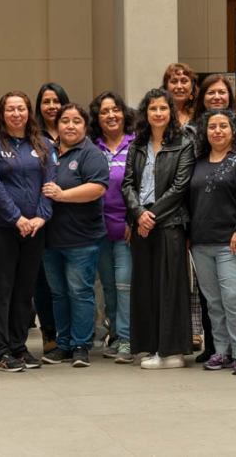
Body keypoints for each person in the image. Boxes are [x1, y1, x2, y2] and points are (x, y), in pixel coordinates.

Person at [0, 91, 55, 372]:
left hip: (35, 230)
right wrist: (17, 218)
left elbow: (50, 185)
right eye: (10, 109)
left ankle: (18, 346)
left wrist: (40, 218)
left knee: (25, 291)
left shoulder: (44, 144)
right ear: (2, 113)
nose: (15, 114)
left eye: (20, 109)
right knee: (2, 289)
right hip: (3, 230)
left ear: (28, 112)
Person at [122, 88, 194, 369]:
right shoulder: (136, 145)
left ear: (171, 113)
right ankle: (149, 346)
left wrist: (150, 215)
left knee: (170, 287)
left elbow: (179, 188)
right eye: (153, 109)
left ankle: (171, 352)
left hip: (170, 223)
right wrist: (139, 215)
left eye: (163, 108)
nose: (158, 113)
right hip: (142, 223)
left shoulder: (183, 143)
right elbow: (127, 184)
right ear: (146, 113)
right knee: (145, 286)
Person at [189, 109, 236, 375]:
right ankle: (222, 351)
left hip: (235, 242)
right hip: (201, 242)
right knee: (214, 301)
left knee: (234, 297)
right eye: (211, 127)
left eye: (223, 126)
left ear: (234, 130)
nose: (217, 131)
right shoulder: (198, 161)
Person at [41, 103, 109, 368]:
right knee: (58, 293)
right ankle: (64, 343)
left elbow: (97, 188)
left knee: (79, 292)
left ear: (85, 125)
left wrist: (62, 195)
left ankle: (81, 345)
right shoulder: (48, 152)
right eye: (65, 121)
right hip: (50, 238)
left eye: (76, 121)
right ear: (57, 125)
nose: (70, 126)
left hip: (81, 238)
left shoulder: (90, 153)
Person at [89, 91, 136, 363]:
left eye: (115, 109)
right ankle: (117, 335)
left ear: (124, 113)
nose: (111, 115)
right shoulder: (91, 147)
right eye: (104, 111)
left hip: (127, 229)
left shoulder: (136, 144)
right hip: (98, 230)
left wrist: (133, 218)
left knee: (124, 285)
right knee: (108, 287)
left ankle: (128, 339)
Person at [33, 82, 70, 351]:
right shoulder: (32, 135)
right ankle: (49, 331)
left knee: (71, 280)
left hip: (71, 216)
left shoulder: (75, 130)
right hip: (39, 215)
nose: (52, 106)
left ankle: (74, 333)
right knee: (43, 279)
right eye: (46, 101)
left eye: (56, 101)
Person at [192, 74, 236, 151]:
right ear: (202, 97)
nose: (217, 97)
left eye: (222, 92)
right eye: (211, 93)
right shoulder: (190, 129)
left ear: (229, 96)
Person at [161, 62, 198, 127]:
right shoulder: (157, 112)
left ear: (192, 86)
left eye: (184, 81)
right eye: (174, 82)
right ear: (166, 86)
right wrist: (135, 137)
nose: (179, 86)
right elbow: (138, 133)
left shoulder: (199, 113)